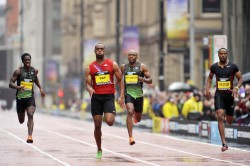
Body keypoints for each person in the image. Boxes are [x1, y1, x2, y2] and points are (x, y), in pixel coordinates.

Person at [85, 43, 124, 159]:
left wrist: (121, 96)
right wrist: (90, 88)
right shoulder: (90, 67)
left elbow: (120, 80)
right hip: (96, 98)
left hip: (108, 97)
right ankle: (99, 149)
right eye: (98, 49)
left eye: (102, 49)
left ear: (104, 51)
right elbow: (87, 84)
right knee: (97, 125)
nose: (100, 51)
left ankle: (108, 113)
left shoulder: (112, 64)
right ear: (95, 51)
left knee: (110, 121)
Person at [205, 48, 242, 152]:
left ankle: (227, 114)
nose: (223, 55)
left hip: (230, 95)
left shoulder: (233, 66)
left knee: (229, 121)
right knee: (220, 115)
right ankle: (224, 143)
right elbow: (209, 78)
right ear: (218, 55)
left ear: (227, 54)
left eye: (224, 54)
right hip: (219, 94)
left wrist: (236, 88)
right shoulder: (214, 67)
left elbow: (240, 79)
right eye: (221, 54)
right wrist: (207, 89)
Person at [9, 53, 45, 143]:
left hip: (30, 97)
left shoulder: (34, 71)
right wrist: (18, 87)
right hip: (20, 98)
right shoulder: (18, 71)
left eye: (29, 59)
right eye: (26, 60)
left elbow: (35, 79)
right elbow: (10, 84)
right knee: (21, 121)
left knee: (30, 115)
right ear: (23, 61)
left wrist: (40, 88)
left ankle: (30, 136)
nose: (27, 61)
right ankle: (26, 119)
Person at [120, 50, 152, 145]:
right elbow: (120, 80)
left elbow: (150, 80)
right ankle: (130, 137)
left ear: (136, 57)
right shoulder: (123, 67)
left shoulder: (142, 66)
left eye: (133, 55)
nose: (131, 56)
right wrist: (121, 96)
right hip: (129, 93)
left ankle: (135, 116)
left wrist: (144, 80)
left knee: (138, 119)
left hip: (139, 95)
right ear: (127, 56)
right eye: (129, 55)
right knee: (129, 111)